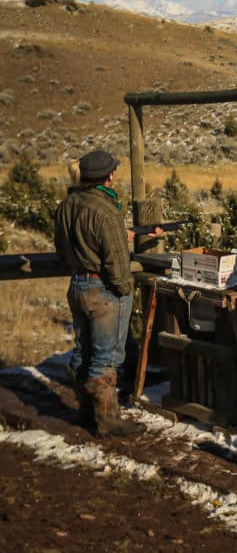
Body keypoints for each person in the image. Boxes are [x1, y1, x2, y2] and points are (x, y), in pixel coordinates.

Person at [54, 150, 144, 437]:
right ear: (109, 175)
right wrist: (125, 290)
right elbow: (118, 264)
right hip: (103, 290)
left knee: (83, 351)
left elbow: (62, 249)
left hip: (78, 284)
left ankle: (85, 412)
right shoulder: (107, 211)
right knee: (106, 357)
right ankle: (107, 419)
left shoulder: (68, 204)